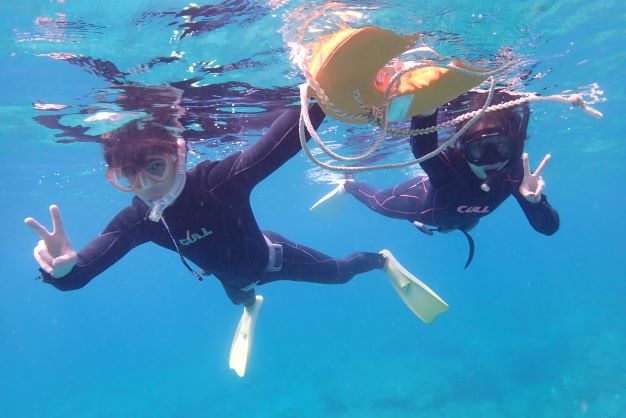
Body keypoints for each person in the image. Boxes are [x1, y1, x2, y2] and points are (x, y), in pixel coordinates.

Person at [25, 100, 448, 377]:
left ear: (179, 153)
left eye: (155, 167)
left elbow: (282, 142)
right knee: (240, 295)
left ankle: (380, 260)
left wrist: (321, 95)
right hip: (229, 277)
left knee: (338, 273)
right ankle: (249, 301)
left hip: (273, 258)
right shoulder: (138, 220)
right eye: (127, 176)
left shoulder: (219, 181)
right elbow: (79, 275)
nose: (146, 186)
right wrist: (60, 270)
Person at [312, 89, 559, 267]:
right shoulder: (449, 172)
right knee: (377, 203)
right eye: (479, 149)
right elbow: (423, 148)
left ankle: (450, 225)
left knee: (464, 222)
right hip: (421, 206)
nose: (491, 159)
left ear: (513, 145)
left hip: (460, 217)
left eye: (501, 146)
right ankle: (348, 184)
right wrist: (426, 107)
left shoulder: (517, 174)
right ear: (463, 149)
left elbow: (548, 228)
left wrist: (536, 202)